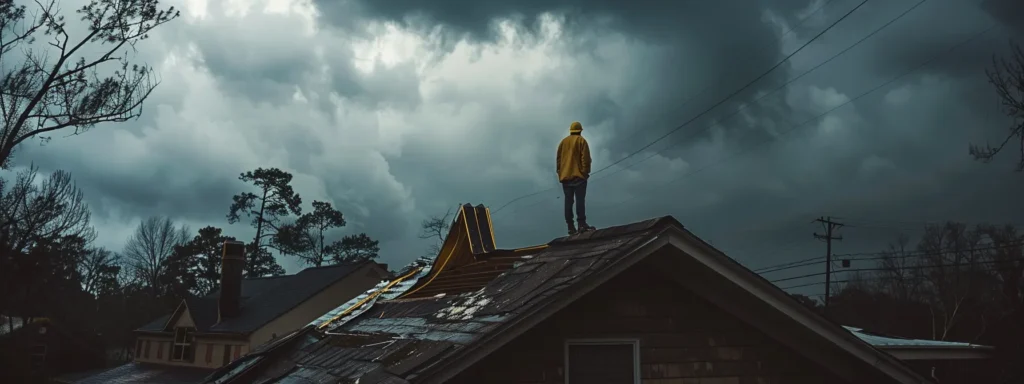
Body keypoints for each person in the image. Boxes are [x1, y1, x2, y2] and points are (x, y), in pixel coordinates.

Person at [556, 121, 595, 235]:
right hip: (579, 176)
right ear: (580, 131)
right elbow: (586, 159)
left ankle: (570, 226)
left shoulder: (563, 143)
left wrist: (560, 173)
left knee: (568, 201)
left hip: (565, 177)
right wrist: (585, 172)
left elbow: (558, 161)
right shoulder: (581, 141)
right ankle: (581, 224)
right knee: (579, 200)